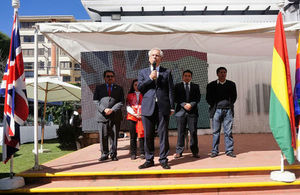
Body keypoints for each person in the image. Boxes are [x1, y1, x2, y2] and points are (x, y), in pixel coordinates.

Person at [137, 48, 175, 169]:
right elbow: (140, 88)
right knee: (148, 135)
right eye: (152, 55)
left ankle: (163, 159)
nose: (155, 57)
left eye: (157, 55)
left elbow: (170, 90)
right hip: (148, 107)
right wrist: (150, 78)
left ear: (161, 58)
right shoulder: (143, 72)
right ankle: (149, 159)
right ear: (149, 58)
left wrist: (172, 107)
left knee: (163, 134)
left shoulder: (167, 72)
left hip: (162, 107)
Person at [93, 70, 124, 161]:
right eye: (108, 76)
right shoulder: (99, 88)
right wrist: (104, 109)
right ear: (104, 78)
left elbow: (121, 101)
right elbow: (95, 101)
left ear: (114, 78)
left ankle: (113, 154)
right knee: (103, 136)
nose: (110, 78)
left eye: (111, 76)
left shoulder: (119, 88)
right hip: (102, 116)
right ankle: (104, 154)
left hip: (115, 115)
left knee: (114, 137)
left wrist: (112, 109)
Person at [206, 67, 237, 158]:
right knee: (216, 132)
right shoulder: (211, 85)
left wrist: (229, 105)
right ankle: (215, 151)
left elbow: (234, 97)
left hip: (228, 111)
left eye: (224, 72)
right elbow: (208, 98)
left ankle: (229, 150)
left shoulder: (231, 84)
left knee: (228, 132)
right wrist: (214, 106)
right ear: (217, 74)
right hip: (216, 111)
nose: (223, 74)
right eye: (221, 72)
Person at [174, 70, 200, 159]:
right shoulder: (177, 86)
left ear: (191, 77)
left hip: (192, 112)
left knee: (193, 132)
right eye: (185, 75)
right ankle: (179, 152)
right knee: (180, 132)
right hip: (180, 112)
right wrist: (184, 104)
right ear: (182, 76)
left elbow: (198, 98)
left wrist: (191, 104)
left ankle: (195, 151)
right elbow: (175, 98)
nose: (187, 77)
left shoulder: (196, 86)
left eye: (189, 76)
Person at [126, 79, 145, 160]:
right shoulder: (129, 95)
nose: (137, 86)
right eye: (135, 85)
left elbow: (147, 105)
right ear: (133, 86)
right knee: (133, 136)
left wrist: (141, 114)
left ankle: (142, 152)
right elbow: (127, 106)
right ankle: (133, 153)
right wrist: (135, 114)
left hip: (141, 117)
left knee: (141, 136)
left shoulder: (144, 94)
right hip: (132, 117)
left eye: (138, 84)